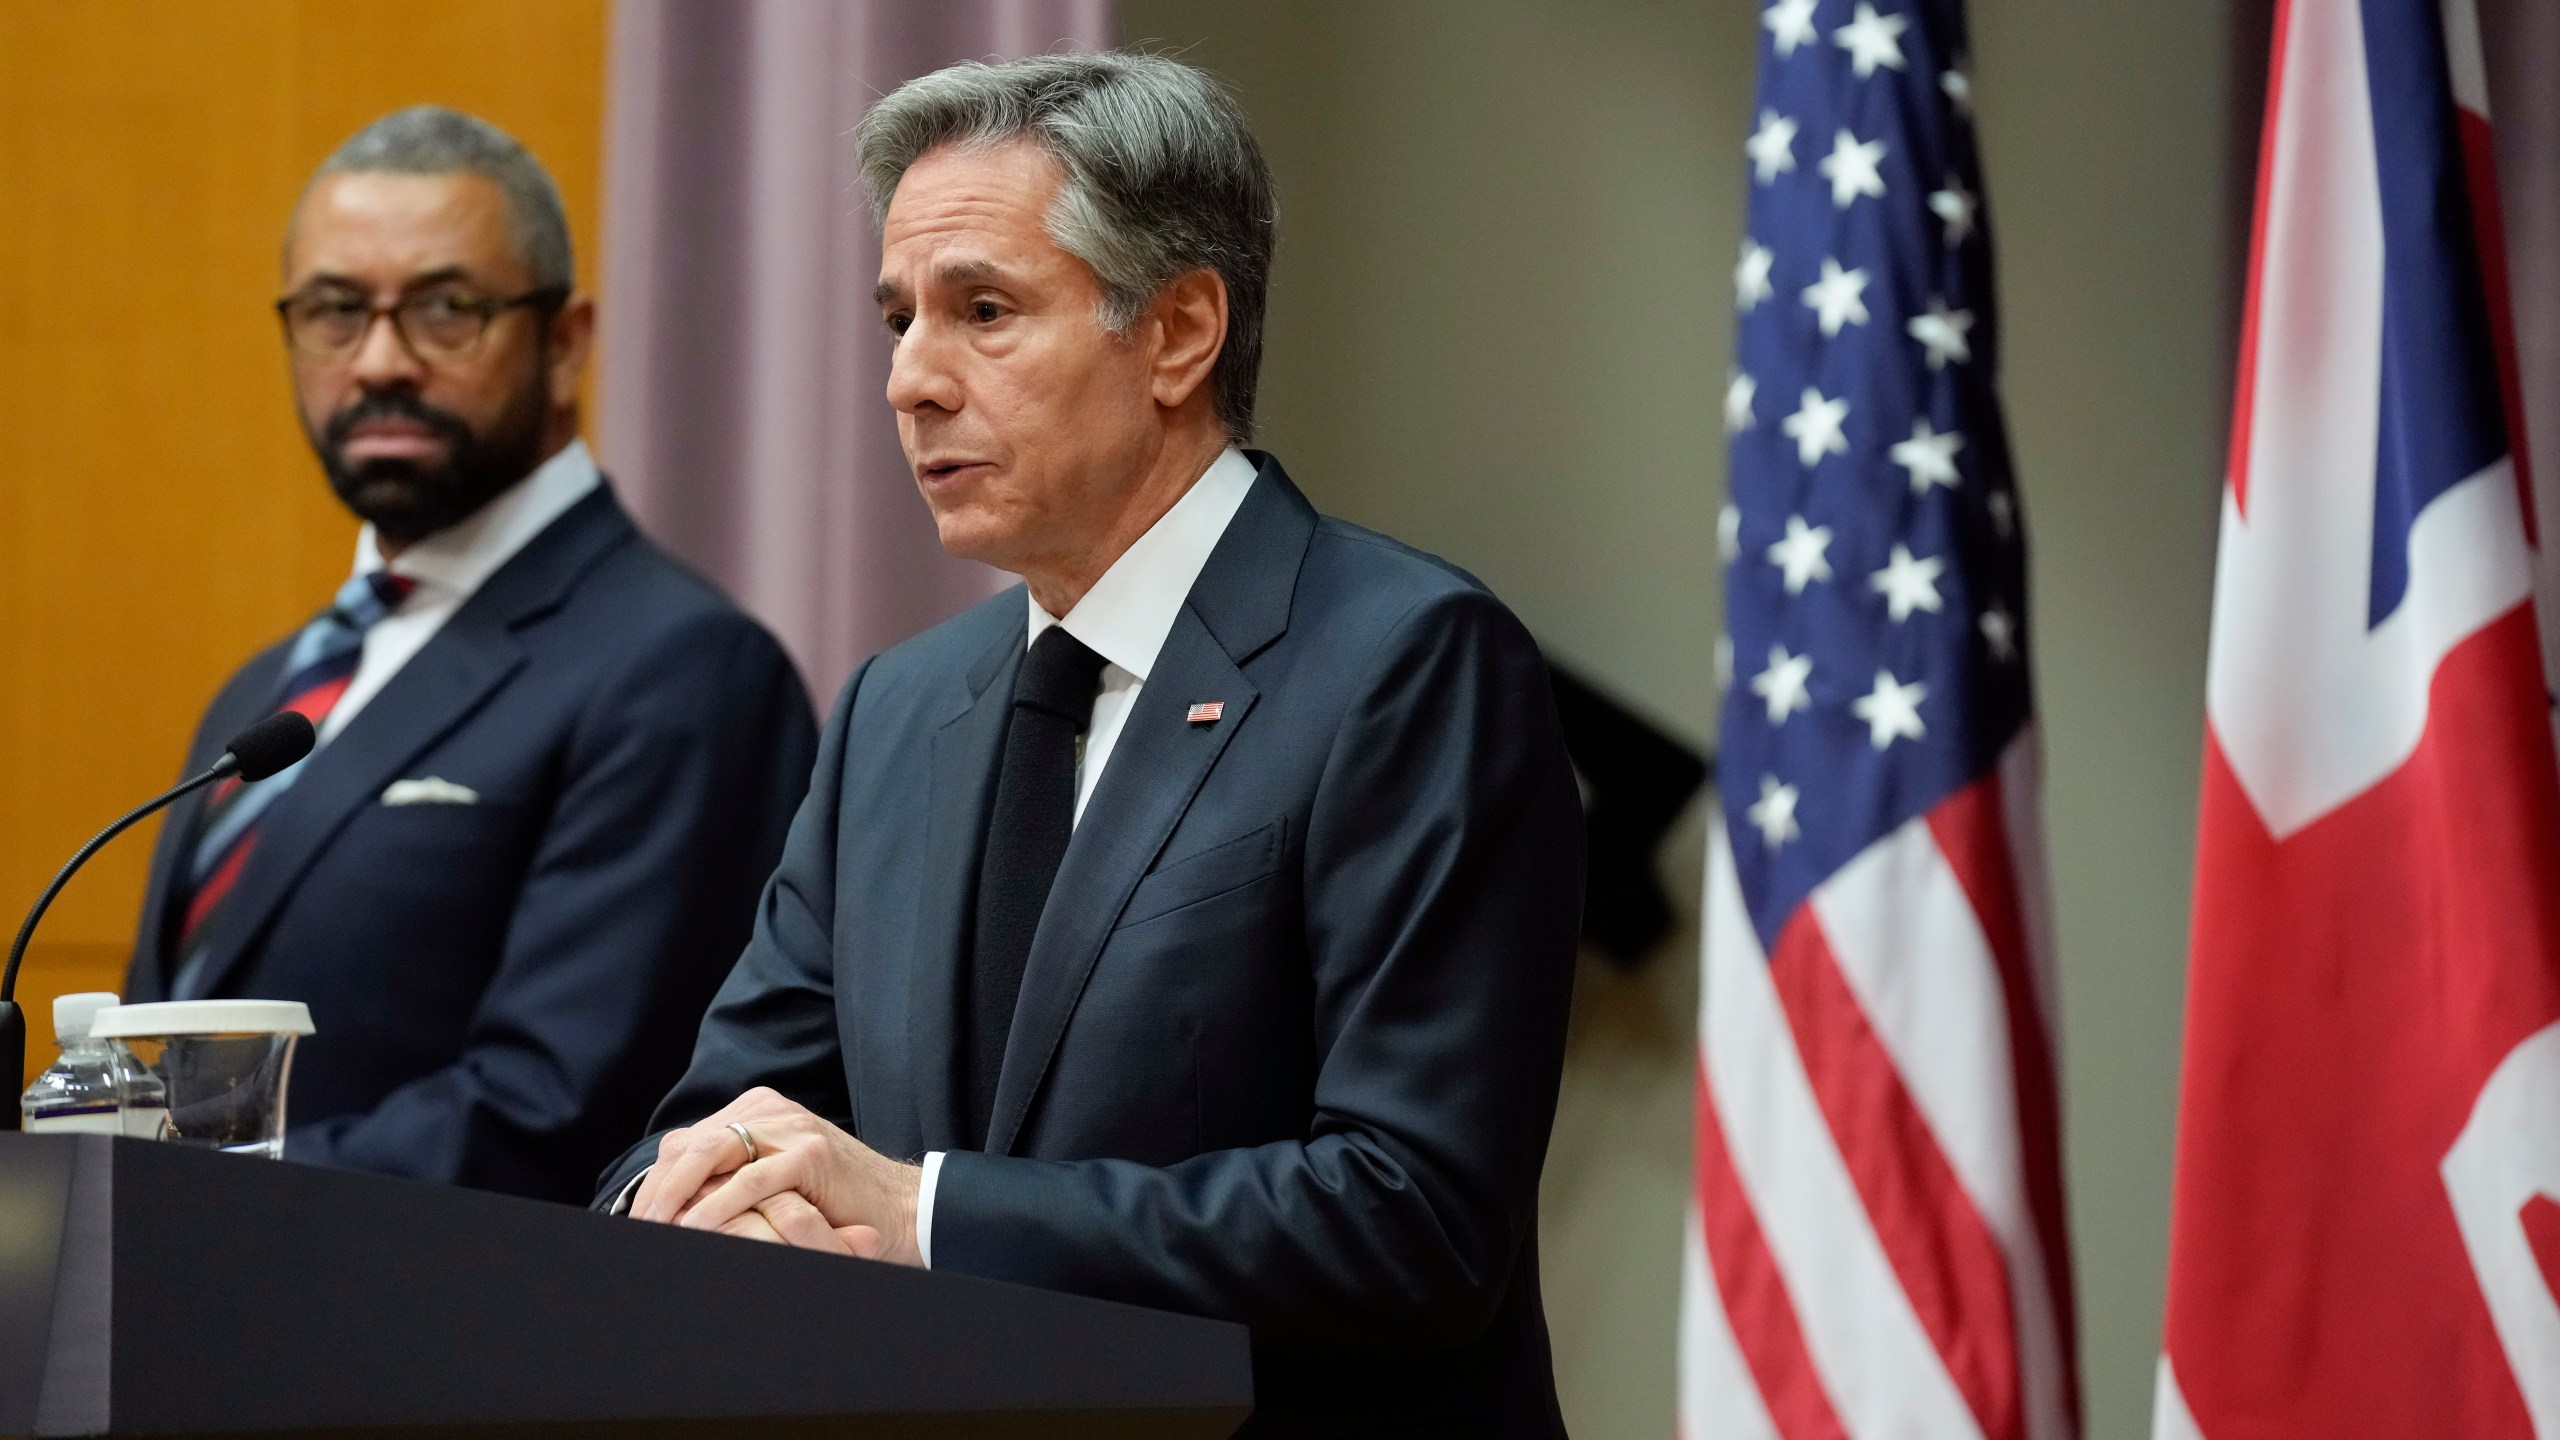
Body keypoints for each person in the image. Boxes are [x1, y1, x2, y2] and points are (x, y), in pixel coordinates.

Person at [598, 54, 1584, 1434]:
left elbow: (1411, 1216)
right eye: (897, 319)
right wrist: (702, 1203)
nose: (909, 380)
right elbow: (713, 1121)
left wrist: (925, 1213)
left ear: (1178, 332)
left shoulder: (1406, 663)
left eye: (982, 312)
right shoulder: (897, 711)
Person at [124, 107, 818, 1205]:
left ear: (566, 343)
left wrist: (185, 1202)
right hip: (187, 1294)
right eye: (335, 312)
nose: (380, 361)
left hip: (456, 1307)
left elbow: (558, 1114)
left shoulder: (684, 670)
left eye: (446, 310)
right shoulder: (267, 694)